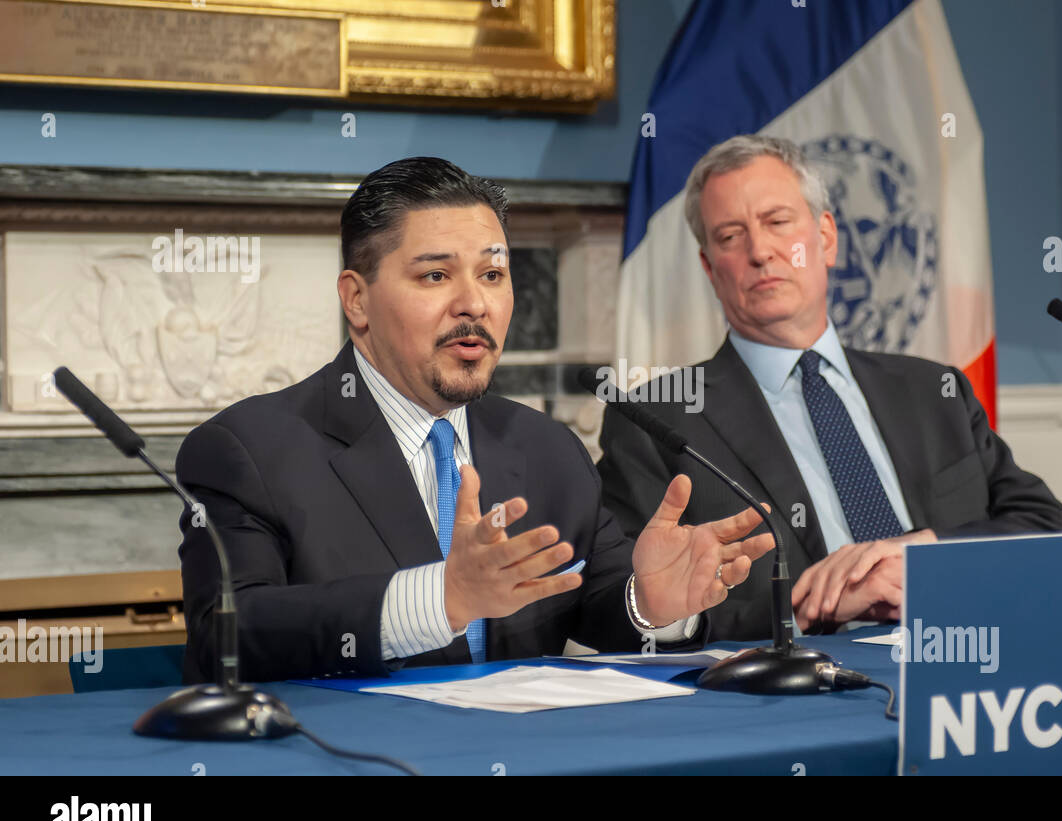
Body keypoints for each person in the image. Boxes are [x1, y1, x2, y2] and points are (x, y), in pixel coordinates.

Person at [176, 156, 772, 684]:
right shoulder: (248, 451)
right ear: (357, 300)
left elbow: (601, 604)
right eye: (435, 276)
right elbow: (229, 636)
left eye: (492, 275)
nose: (474, 304)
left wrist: (651, 602)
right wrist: (441, 598)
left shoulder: (546, 448)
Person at [597, 134, 1062, 640]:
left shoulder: (934, 391)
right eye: (731, 236)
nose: (760, 251)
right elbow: (633, 607)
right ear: (710, 268)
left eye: (777, 222)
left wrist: (921, 553)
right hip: (795, 694)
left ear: (825, 238)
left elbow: (1048, 529)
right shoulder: (656, 419)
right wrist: (805, 607)